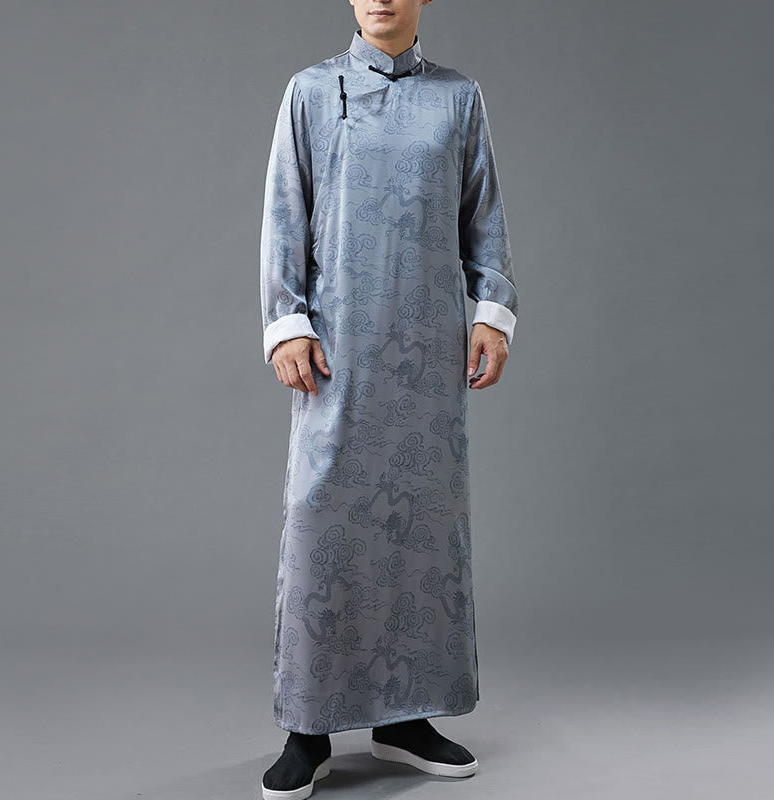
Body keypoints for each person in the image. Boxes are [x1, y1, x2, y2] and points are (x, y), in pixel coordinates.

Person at [259, 1, 518, 797]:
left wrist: (492, 313)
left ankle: (407, 717)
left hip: (427, 357)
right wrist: (286, 321)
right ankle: (308, 727)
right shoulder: (311, 91)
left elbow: (483, 216)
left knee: (422, 531)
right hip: (337, 350)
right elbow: (284, 211)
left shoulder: (458, 97)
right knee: (323, 523)